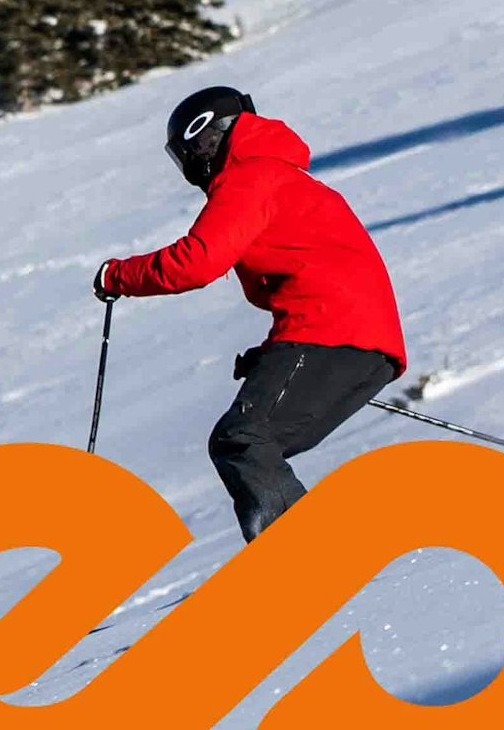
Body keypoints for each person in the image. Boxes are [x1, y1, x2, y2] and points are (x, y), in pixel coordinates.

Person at [88, 87, 406, 542]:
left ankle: (299, 554)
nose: (189, 166)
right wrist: (273, 355)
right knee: (256, 441)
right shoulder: (280, 179)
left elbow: (196, 262)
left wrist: (116, 276)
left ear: (206, 136)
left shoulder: (251, 178)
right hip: (360, 345)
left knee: (243, 439)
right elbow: (307, 277)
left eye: (187, 152)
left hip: (332, 335)